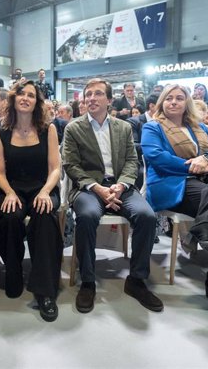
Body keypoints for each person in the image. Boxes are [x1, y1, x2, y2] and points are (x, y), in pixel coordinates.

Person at [142, 84, 208, 317]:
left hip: (205, 179)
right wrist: (195, 165)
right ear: (161, 102)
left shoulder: (200, 127)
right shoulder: (153, 127)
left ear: (186, 103)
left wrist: (207, 157)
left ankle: (204, 226)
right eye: (168, 98)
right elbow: (156, 157)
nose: (173, 102)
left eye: (179, 98)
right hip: (172, 183)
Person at [63, 78, 163, 314]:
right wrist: (96, 187)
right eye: (88, 94)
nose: (91, 98)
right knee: (86, 216)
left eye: (98, 94)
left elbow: (131, 161)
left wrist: (121, 185)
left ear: (109, 100)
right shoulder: (74, 128)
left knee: (147, 216)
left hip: (120, 187)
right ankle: (87, 280)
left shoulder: (123, 127)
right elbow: (71, 165)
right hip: (88, 188)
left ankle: (137, 280)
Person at [0, 80, 62, 321]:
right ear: (13, 99)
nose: (25, 98)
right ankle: (13, 271)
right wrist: (9, 192)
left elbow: (55, 168)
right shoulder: (0, 132)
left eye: (31, 95)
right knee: (9, 217)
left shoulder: (48, 129)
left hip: (43, 187)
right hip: (13, 188)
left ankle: (45, 291)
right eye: (21, 94)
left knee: (44, 217)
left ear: (37, 102)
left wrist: (45, 191)